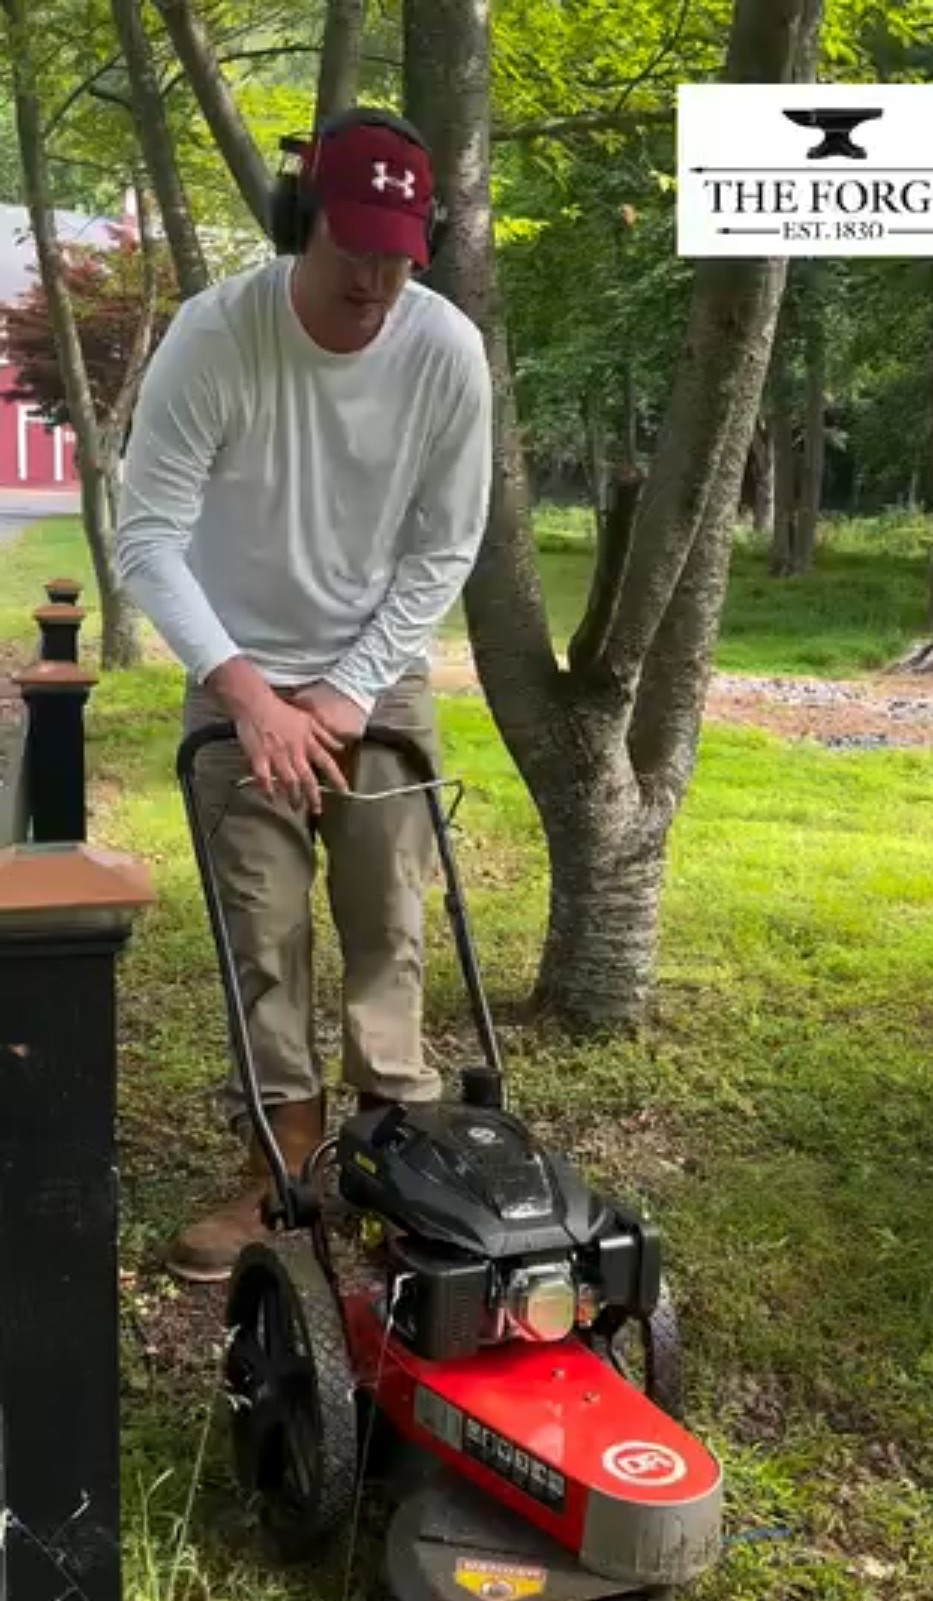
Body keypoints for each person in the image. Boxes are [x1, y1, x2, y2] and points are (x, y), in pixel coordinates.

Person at [117, 105, 493, 1284]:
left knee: (390, 919)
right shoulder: (216, 338)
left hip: (374, 682)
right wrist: (246, 692)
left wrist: (344, 690)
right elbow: (148, 540)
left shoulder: (443, 351)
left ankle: (397, 1154)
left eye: (398, 251)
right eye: (353, 249)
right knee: (263, 935)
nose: (376, 279)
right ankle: (280, 1171)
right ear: (300, 222)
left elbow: (445, 547)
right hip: (236, 678)